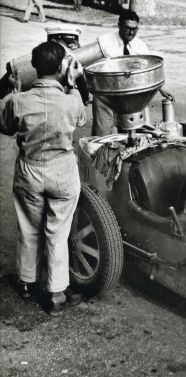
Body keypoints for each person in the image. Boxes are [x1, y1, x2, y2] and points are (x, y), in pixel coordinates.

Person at [0, 41, 86, 316]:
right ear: (62, 67)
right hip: (62, 171)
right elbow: (81, 119)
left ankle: (26, 283)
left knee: (29, 228)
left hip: (30, 170)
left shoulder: (19, 100)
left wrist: (13, 94)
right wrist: (72, 84)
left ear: (34, 68)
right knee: (58, 232)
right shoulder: (72, 99)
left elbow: (5, 127)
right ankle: (56, 294)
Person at [92, 8, 174, 136]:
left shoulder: (141, 46)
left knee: (129, 136)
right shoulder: (104, 42)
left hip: (129, 100)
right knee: (101, 136)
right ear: (119, 25)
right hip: (106, 97)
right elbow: (90, 67)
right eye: (127, 28)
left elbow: (148, 72)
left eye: (135, 29)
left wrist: (161, 88)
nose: (131, 32)